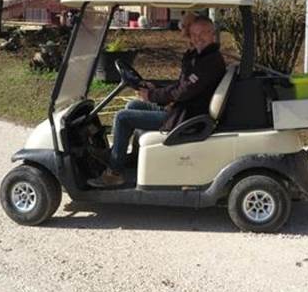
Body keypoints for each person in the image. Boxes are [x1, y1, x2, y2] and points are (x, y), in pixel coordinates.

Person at [88, 16, 226, 188]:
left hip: (187, 118)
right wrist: (155, 87)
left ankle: (114, 173)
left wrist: (153, 95)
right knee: (133, 105)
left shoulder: (209, 62)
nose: (198, 38)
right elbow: (182, 85)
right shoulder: (199, 56)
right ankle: (129, 158)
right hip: (183, 109)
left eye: (203, 33)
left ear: (213, 34)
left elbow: (183, 91)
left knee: (123, 117)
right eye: (194, 34)